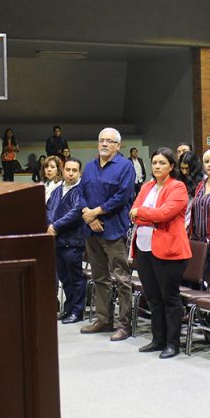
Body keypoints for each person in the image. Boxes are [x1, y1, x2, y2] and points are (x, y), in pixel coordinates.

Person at [130, 148, 192, 358]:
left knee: (170, 298)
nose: (157, 166)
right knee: (153, 297)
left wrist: (143, 214)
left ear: (171, 166)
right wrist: (146, 215)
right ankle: (158, 339)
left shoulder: (178, 187)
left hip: (169, 250)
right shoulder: (147, 186)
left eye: (162, 163)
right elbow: (133, 212)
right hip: (144, 248)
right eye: (154, 162)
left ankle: (173, 343)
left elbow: (165, 214)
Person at [80, 128, 136, 340]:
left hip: (113, 230)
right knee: (100, 277)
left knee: (121, 279)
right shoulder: (90, 167)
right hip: (91, 230)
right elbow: (80, 193)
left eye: (109, 141)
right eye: (101, 140)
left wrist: (98, 211)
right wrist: (88, 214)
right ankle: (104, 319)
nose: (104, 144)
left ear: (118, 145)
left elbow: (122, 196)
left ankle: (124, 325)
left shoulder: (125, 167)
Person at [47, 158, 87, 324]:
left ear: (79, 173)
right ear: (63, 170)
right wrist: (49, 224)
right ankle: (69, 308)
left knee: (75, 278)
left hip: (73, 241)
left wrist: (55, 226)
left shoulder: (80, 191)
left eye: (74, 170)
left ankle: (77, 312)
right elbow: (48, 208)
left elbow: (76, 213)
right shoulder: (57, 190)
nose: (70, 173)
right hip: (57, 241)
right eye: (68, 169)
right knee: (64, 277)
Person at [178, 150, 204, 227]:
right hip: (181, 220)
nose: (184, 172)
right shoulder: (178, 179)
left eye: (187, 168)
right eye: (182, 168)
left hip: (197, 221)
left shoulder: (204, 181)